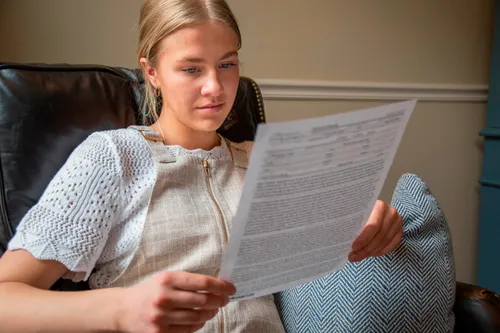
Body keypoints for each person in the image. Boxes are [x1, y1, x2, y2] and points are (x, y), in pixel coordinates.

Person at [0, 0, 403, 332]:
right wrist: (121, 309)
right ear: (152, 72)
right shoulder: (112, 157)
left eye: (227, 64)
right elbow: (6, 298)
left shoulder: (267, 163)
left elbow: (333, 243)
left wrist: (371, 218)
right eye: (192, 69)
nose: (216, 86)